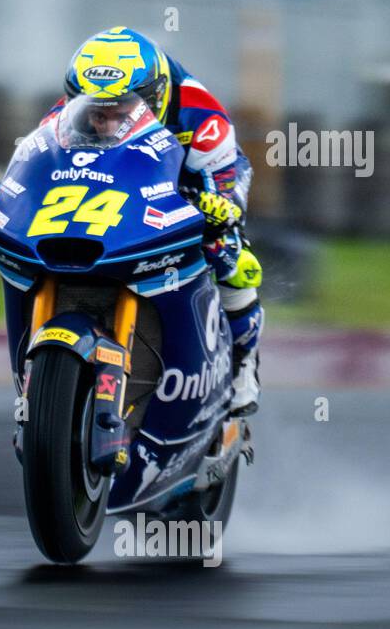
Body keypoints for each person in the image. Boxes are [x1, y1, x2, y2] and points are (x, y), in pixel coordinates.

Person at [42, 26, 263, 414]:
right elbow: (40, 160)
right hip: (115, 179)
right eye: (95, 110)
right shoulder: (67, 111)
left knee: (230, 252)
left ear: (154, 97)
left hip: (194, 178)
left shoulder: (202, 118)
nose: (105, 123)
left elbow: (225, 183)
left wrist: (220, 207)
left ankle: (245, 361)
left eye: (119, 110)